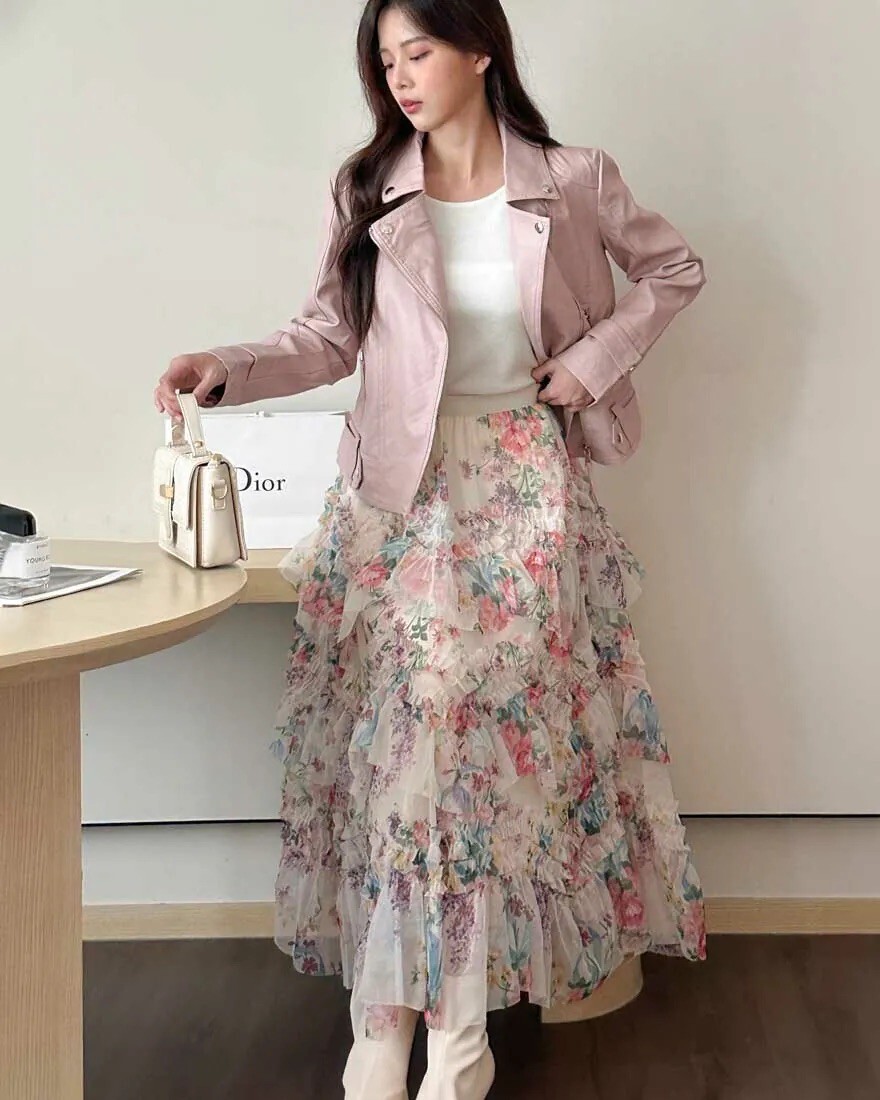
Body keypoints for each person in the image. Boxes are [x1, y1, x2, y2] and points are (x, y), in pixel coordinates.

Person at [154, 1, 708, 1096]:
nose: (399, 76)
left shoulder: (573, 179)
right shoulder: (369, 187)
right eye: (385, 59)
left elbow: (675, 270)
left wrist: (592, 359)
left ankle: (456, 1039)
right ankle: (385, 1025)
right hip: (403, 496)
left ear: (479, 51)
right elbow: (327, 335)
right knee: (408, 767)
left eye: (419, 52)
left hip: (525, 486)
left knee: (483, 769)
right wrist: (225, 367)